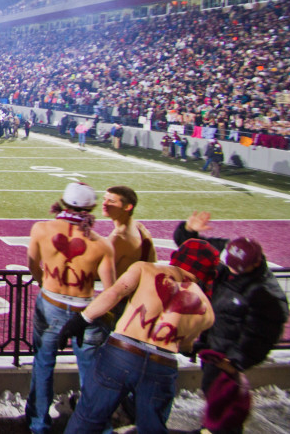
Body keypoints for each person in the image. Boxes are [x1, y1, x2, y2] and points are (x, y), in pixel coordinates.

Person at [59, 239, 219, 433]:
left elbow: (115, 293)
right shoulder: (206, 309)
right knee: (151, 429)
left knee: (87, 419)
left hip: (120, 354)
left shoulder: (146, 269)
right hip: (162, 365)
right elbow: (185, 346)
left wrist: (82, 320)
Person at [174, 212, 289, 434]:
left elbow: (263, 335)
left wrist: (235, 362)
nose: (230, 271)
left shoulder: (264, 294)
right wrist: (188, 229)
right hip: (213, 345)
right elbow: (193, 248)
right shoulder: (230, 253)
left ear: (255, 264)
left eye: (238, 269)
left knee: (224, 403)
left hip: (226, 356)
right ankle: (210, 428)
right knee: (212, 395)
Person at [25, 182, 116, 434]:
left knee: (43, 363)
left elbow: (33, 265)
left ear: (63, 202)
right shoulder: (101, 244)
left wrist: (45, 281)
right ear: (92, 207)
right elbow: (111, 288)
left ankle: (38, 423)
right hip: (86, 310)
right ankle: (95, 425)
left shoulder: (42, 229)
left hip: (51, 302)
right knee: (91, 371)